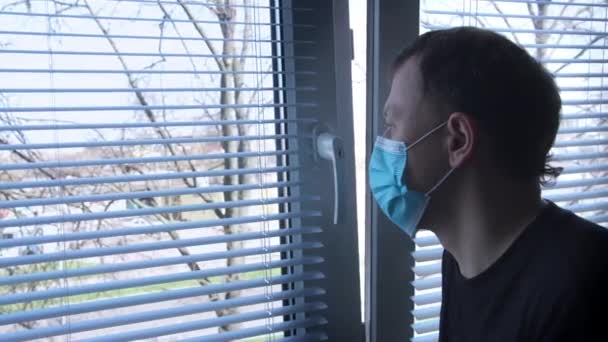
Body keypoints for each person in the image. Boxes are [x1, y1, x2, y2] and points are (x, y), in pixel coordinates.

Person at [369, 27, 608, 341]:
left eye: (392, 123)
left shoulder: (585, 287)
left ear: (458, 140)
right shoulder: (462, 260)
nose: (383, 143)